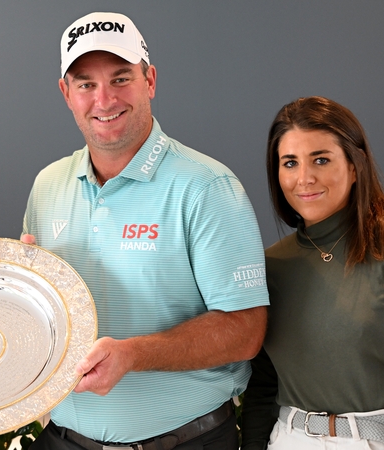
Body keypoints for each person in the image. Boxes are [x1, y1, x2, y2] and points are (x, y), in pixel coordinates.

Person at [21, 12, 269, 450]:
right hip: (64, 441)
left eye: (121, 79)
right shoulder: (47, 186)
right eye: (85, 84)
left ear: (150, 80)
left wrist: (133, 355)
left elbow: (246, 330)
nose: (104, 99)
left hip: (184, 442)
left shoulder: (206, 186)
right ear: (66, 93)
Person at [241, 96, 384, 450]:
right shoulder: (270, 266)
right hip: (289, 440)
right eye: (289, 162)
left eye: (321, 159)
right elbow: (264, 384)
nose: (304, 178)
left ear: (355, 166)